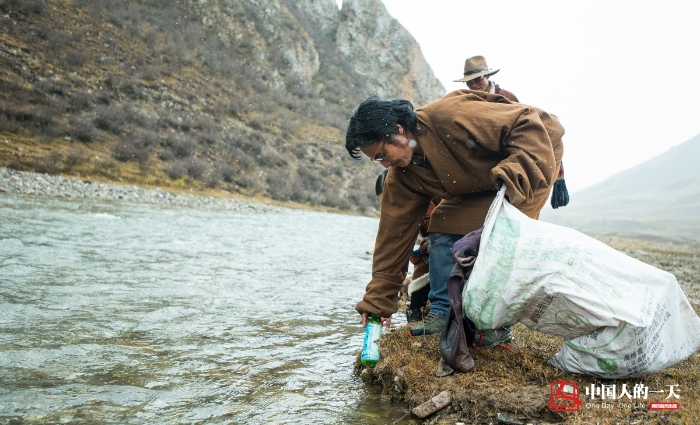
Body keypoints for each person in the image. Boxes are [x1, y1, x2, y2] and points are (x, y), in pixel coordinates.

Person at [345, 90, 564, 342]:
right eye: (377, 160)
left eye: (383, 154)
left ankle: (495, 326)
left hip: (532, 157)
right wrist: (378, 300)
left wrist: (515, 170)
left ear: (398, 131)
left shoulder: (450, 116)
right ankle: (443, 311)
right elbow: (393, 238)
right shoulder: (402, 176)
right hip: (480, 182)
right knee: (443, 223)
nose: (385, 165)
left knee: (501, 235)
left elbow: (526, 123)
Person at [453, 55, 519, 102]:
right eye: (469, 81)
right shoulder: (465, 102)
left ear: (487, 75)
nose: (473, 85)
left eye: (477, 79)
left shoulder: (507, 98)